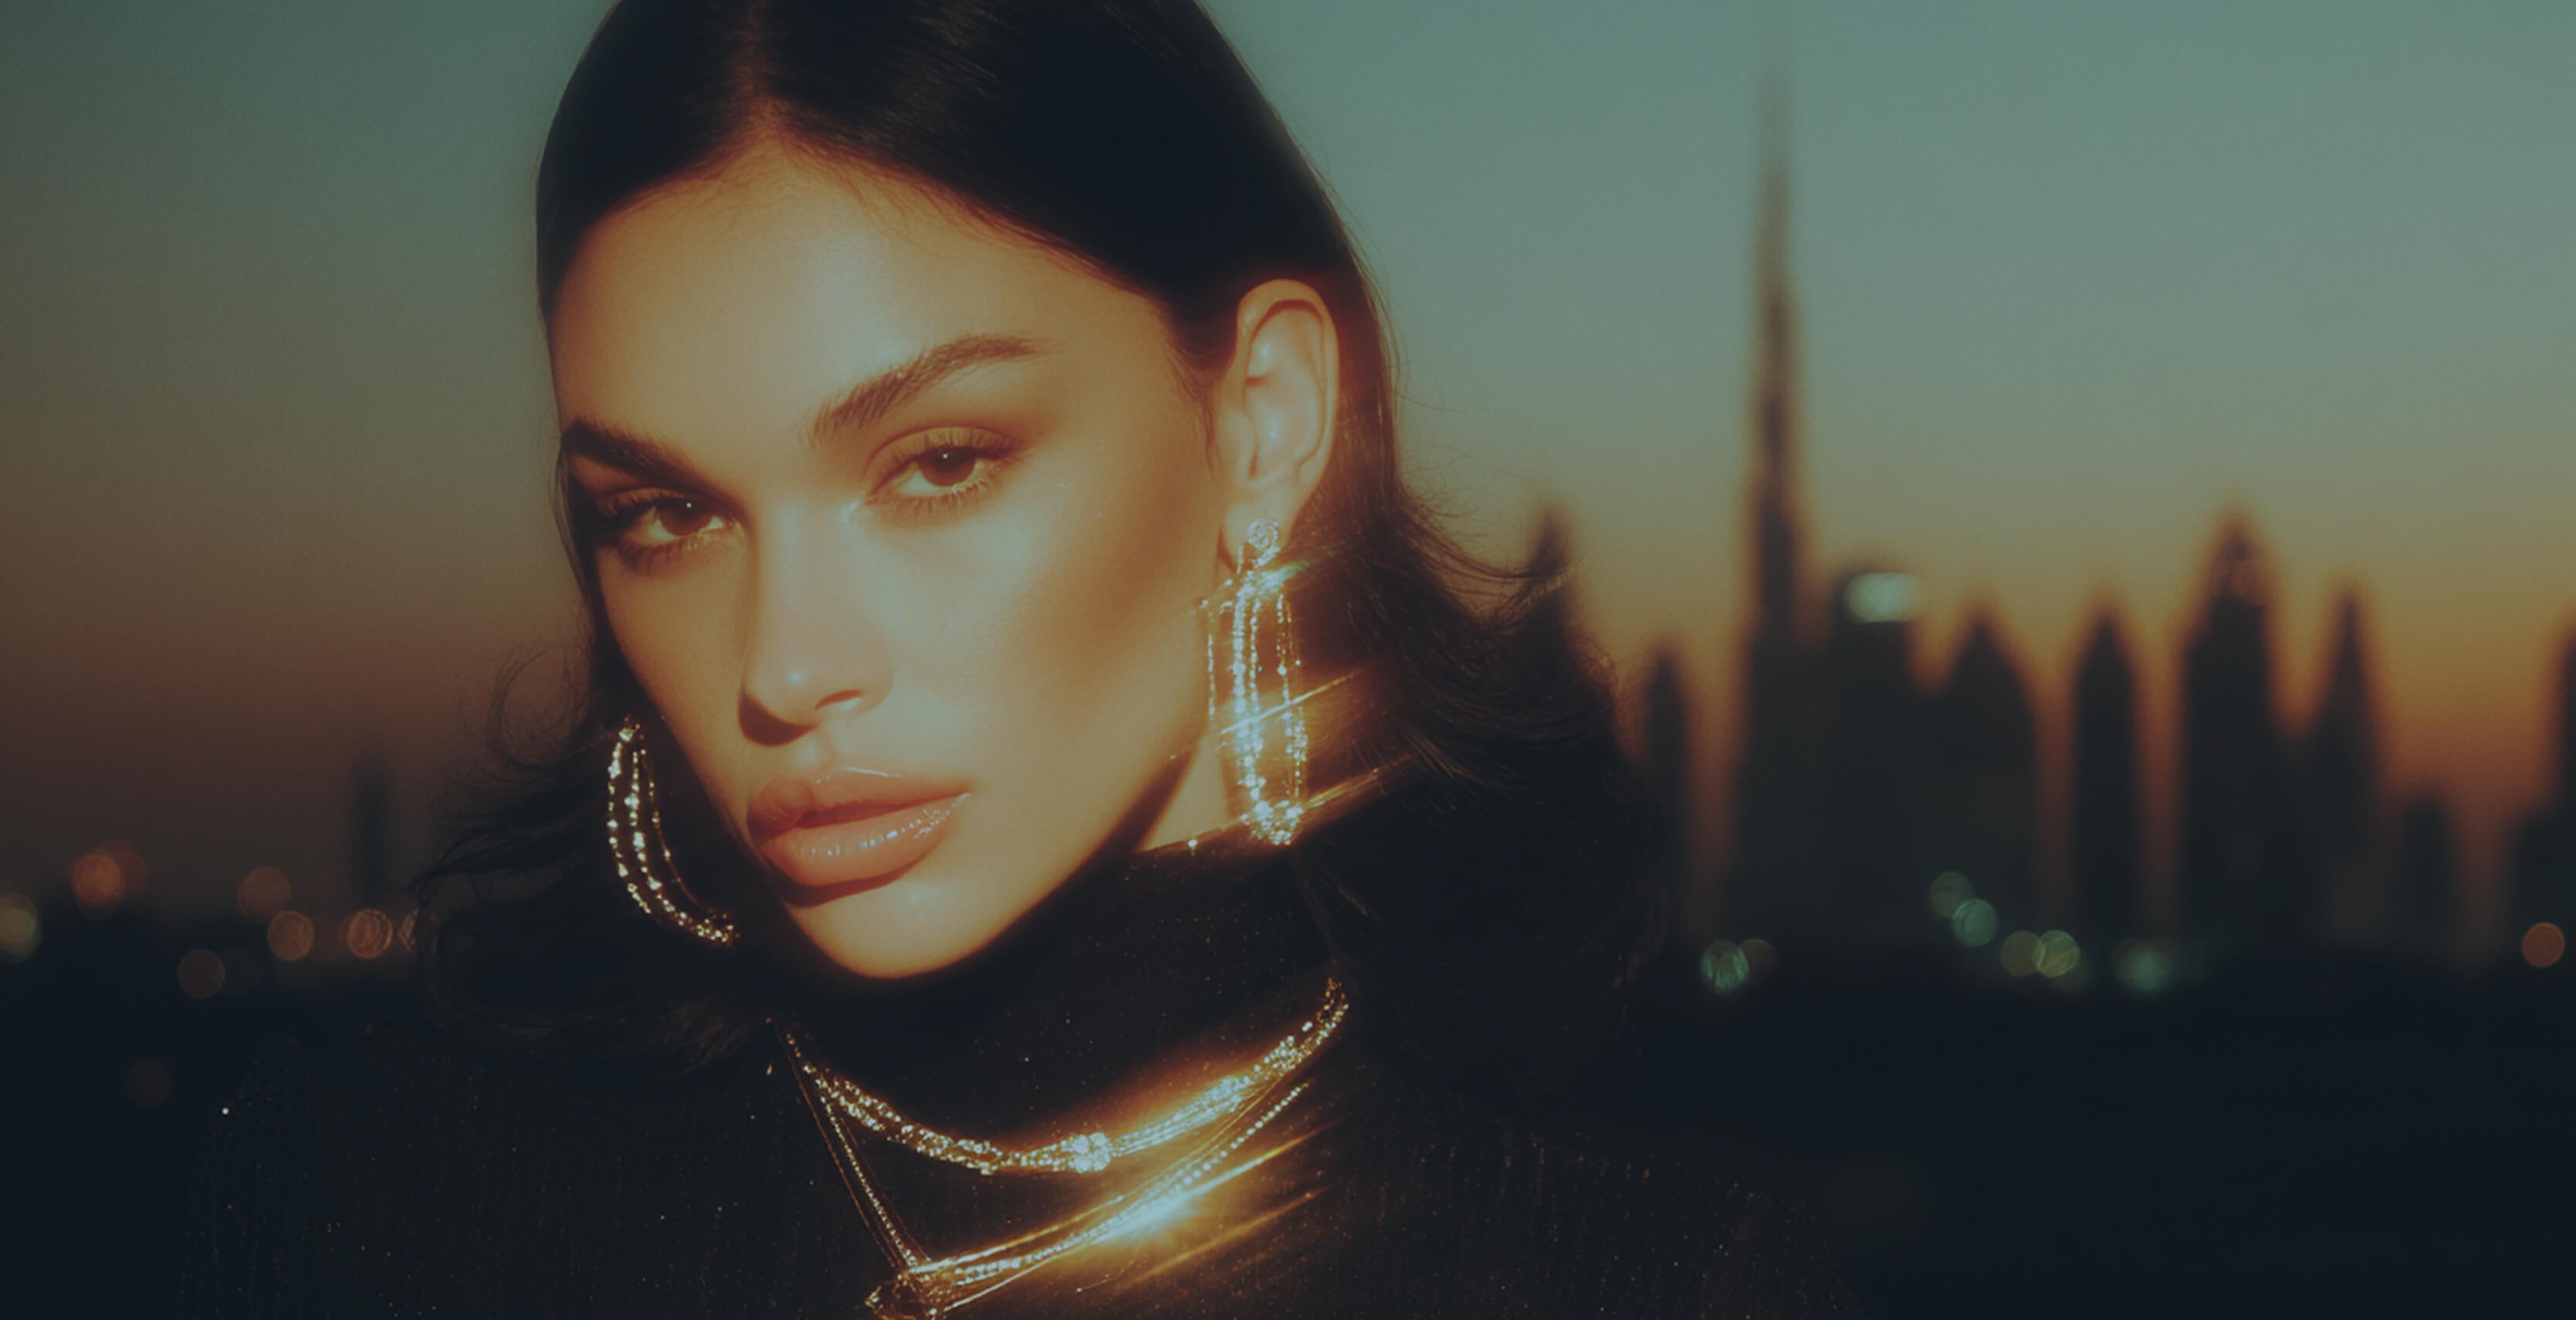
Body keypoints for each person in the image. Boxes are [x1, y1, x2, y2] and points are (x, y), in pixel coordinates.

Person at [181, 2, 1863, 1315]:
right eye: (667, 515)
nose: (785, 665)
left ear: (1264, 425)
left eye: (939, 464)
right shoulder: (389, 1202)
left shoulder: (1644, 1282)